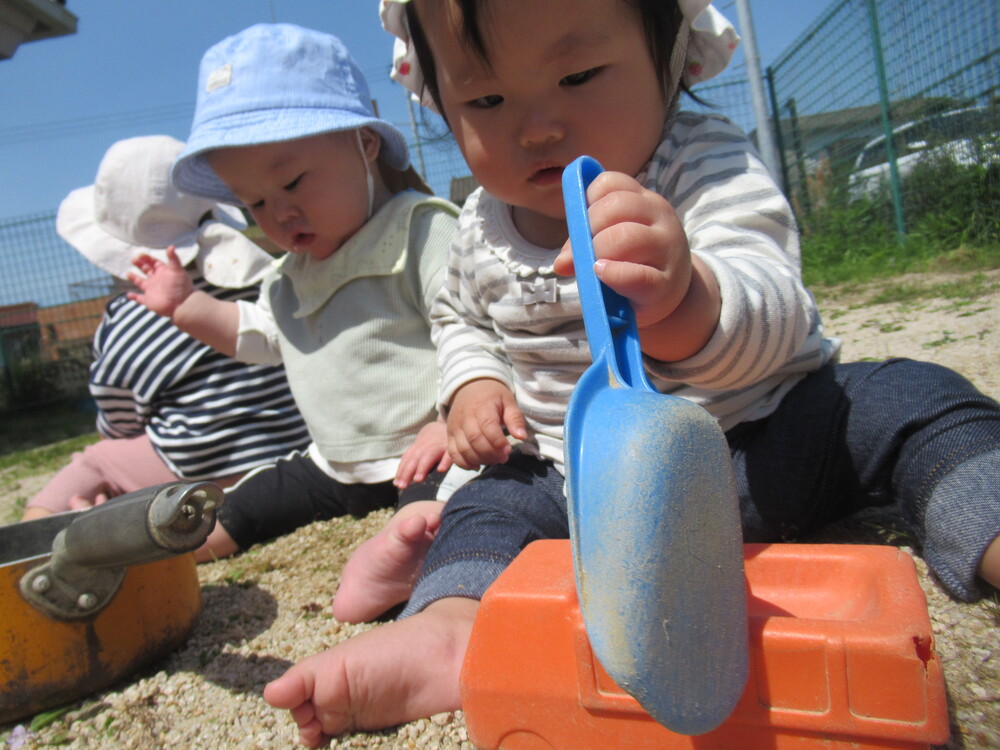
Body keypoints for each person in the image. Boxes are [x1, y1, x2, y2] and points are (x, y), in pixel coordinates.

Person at [260, 0, 1000, 745]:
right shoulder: (477, 226)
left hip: (763, 438)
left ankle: (983, 512)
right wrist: (474, 385)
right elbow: (460, 322)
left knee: (907, 396)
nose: (538, 126)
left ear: (670, 58)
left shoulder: (700, 160)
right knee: (489, 506)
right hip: (584, 491)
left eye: (578, 75)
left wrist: (688, 298)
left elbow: (776, 297)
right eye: (485, 99)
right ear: (442, 105)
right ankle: (454, 625)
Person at [128, 24, 461, 571]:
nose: (278, 213)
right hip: (333, 466)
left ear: (365, 143)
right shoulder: (287, 278)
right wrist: (184, 306)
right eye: (254, 201)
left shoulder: (419, 229)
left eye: (294, 181)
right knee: (250, 502)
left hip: (431, 451)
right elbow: (258, 335)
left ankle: (410, 562)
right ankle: (186, 551)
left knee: (439, 506)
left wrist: (453, 416)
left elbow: (472, 323)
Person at [21, 135, 310, 522]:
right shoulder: (265, 283)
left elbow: (119, 416)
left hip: (201, 471)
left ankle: (36, 538)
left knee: (97, 461)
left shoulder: (131, 316)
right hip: (292, 452)